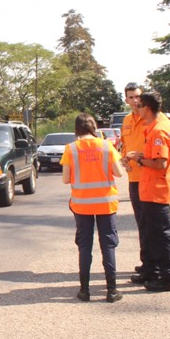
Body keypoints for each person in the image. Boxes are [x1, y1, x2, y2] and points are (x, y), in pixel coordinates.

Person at [60, 113, 124, 303]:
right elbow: (119, 172)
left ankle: (84, 291)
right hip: (106, 203)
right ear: (94, 127)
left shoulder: (70, 149)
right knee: (108, 245)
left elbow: (65, 179)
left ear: (77, 129)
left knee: (85, 246)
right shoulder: (106, 145)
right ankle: (112, 291)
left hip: (81, 205)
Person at [125, 91, 170, 292]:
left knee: (160, 234)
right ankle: (152, 270)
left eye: (139, 105)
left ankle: (169, 277)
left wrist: (138, 159)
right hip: (149, 189)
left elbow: (160, 163)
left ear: (147, 108)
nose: (136, 108)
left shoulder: (159, 130)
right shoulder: (157, 127)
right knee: (151, 232)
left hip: (157, 189)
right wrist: (140, 154)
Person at [119, 82, 149, 276]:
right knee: (141, 222)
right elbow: (124, 143)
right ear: (126, 100)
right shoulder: (127, 120)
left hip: (149, 176)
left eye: (137, 96)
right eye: (131, 97)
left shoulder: (151, 118)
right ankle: (146, 261)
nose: (135, 100)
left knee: (151, 222)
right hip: (134, 178)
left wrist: (145, 158)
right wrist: (123, 156)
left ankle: (153, 263)